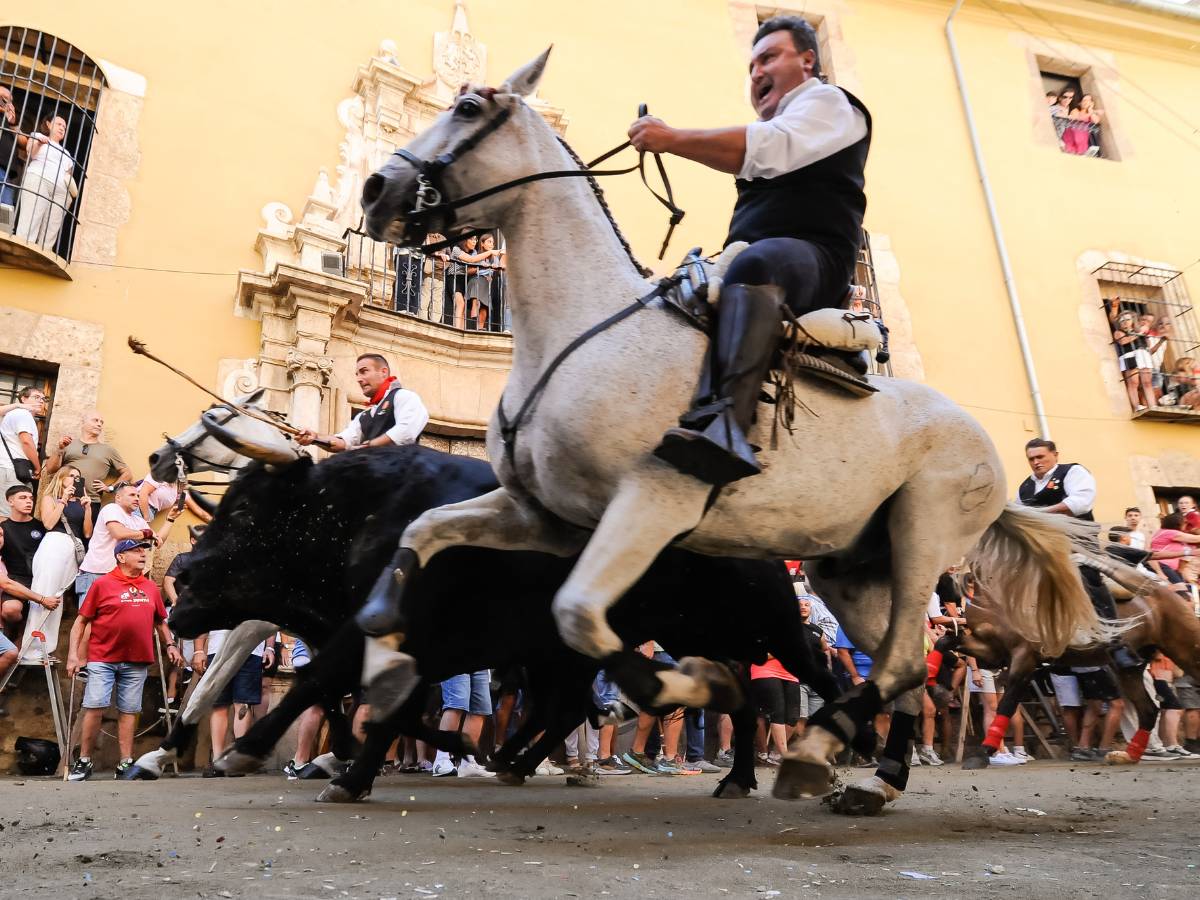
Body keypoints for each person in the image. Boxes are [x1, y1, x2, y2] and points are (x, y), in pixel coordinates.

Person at [628, 15, 871, 485]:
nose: (757, 72)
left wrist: (671, 139)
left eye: (769, 58)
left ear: (808, 60)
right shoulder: (778, 125)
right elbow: (748, 150)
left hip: (816, 260)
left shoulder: (830, 103)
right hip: (762, 257)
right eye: (752, 64)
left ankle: (726, 427)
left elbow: (766, 148)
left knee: (756, 262)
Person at [1017, 438, 1142, 670]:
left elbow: (1081, 503)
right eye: (1031, 459)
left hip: (1079, 540)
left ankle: (1117, 645)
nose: (1036, 462)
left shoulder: (1072, 472)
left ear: (1055, 454)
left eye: (1040, 457)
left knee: (1088, 576)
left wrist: (1041, 514)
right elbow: (1019, 514)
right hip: (1046, 546)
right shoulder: (1024, 487)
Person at [65, 538, 184, 779]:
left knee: (130, 710)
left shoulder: (150, 587)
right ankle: (84, 760)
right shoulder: (102, 584)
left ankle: (125, 763)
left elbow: (160, 621)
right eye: (136, 551)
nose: (143, 555)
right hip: (102, 657)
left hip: (137, 660)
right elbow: (81, 621)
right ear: (121, 557)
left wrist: (170, 644)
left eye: (144, 551)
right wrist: (73, 656)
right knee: (95, 705)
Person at [296, 353, 428, 452]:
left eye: (364, 372)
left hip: (402, 478)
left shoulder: (404, 396)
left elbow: (406, 431)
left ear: (383, 372)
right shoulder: (364, 415)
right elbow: (344, 442)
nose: (359, 379)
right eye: (357, 374)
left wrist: (368, 446)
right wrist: (315, 438)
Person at [192, 625, 277, 777]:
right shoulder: (213, 599)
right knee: (219, 705)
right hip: (218, 650)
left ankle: (237, 759)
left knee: (243, 704)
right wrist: (198, 650)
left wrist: (270, 648)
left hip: (251, 651)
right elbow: (204, 617)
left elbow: (268, 620)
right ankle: (217, 760)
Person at [75, 482, 176, 601]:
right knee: (88, 618)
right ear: (118, 497)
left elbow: (158, 541)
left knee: (111, 618)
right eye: (132, 495)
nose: (137, 498)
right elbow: (118, 533)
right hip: (97, 573)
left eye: (138, 496)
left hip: (119, 576)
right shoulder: (111, 508)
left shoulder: (138, 520)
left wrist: (170, 520)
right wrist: (144, 533)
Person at [41, 410, 133, 521]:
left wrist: (110, 488)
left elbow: (127, 473)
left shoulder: (108, 450)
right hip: (63, 498)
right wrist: (60, 449)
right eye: (95, 420)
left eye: (101, 422)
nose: (99, 424)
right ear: (83, 422)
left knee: (86, 536)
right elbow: (50, 469)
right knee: (57, 532)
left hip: (90, 501)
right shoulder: (69, 444)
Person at [15, 113, 75, 249]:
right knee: (31, 219)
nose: (62, 128)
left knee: (51, 228)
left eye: (64, 127)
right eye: (59, 124)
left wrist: (68, 197)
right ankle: (22, 248)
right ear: (48, 124)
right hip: (38, 178)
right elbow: (31, 152)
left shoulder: (67, 154)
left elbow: (68, 177)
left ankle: (44, 252)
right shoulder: (37, 136)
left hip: (60, 191)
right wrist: (39, 142)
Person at [0, 512, 58, 640]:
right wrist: (43, 599)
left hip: (33, 579)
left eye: (1, 535)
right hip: (17, 586)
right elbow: (7, 584)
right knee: (11, 609)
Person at [430, 670, 495, 777]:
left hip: (481, 661)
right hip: (457, 658)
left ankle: (468, 763)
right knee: (456, 704)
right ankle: (441, 760)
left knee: (479, 710)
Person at [0, 385, 46, 517]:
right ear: (23, 399)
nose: (41, 401)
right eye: (36, 397)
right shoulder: (23, 414)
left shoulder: (13, 414)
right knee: (9, 516)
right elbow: (26, 441)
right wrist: (38, 468)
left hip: (7, 469)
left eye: (43, 399)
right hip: (12, 472)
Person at [1111, 311, 1164, 412]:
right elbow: (1123, 341)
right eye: (1122, 320)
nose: (1125, 322)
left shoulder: (1139, 331)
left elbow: (1147, 346)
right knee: (1133, 382)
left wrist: (1144, 334)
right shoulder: (1118, 332)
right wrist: (1139, 333)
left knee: (1147, 382)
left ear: (1132, 320)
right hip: (1129, 355)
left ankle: (1153, 405)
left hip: (1143, 355)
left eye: (1127, 319)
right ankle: (1136, 406)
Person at [0, 85, 44, 206]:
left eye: (9, 101)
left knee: (5, 215)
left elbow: (24, 142)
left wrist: (13, 123)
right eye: (3, 99)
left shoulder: (8, 122)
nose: (6, 103)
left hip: (6, 173)